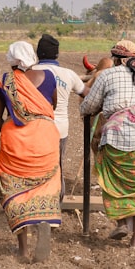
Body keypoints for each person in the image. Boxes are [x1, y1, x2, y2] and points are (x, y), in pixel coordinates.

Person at [79, 40, 135, 250]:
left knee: (115, 181)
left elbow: (88, 105)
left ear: (116, 59)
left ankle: (121, 221)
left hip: (118, 138)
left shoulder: (107, 74)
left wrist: (86, 108)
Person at [0, 41, 61, 262]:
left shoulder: (5, 81)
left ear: (11, 59)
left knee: (12, 188)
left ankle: (22, 250)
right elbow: (52, 106)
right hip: (46, 137)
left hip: (17, 141)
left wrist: (12, 130)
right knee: (46, 184)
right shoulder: (49, 77)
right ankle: (43, 221)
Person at [34, 33, 86, 202]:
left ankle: (36, 202)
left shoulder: (29, 73)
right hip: (60, 129)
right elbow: (87, 94)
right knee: (58, 165)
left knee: (35, 165)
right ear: (57, 54)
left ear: (37, 53)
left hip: (34, 128)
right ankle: (57, 202)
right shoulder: (69, 74)